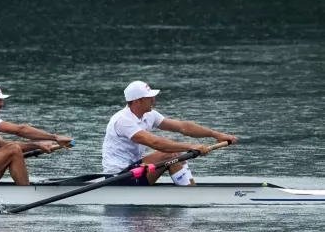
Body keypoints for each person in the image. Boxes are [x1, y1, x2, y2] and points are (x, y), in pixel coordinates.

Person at [102, 80, 238, 186]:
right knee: (169, 154)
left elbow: (183, 127)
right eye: (150, 97)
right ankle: (192, 195)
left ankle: (190, 191)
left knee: (174, 154)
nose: (154, 100)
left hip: (135, 172)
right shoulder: (122, 121)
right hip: (118, 177)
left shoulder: (149, 115)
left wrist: (215, 134)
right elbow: (156, 143)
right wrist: (192, 147)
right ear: (137, 101)